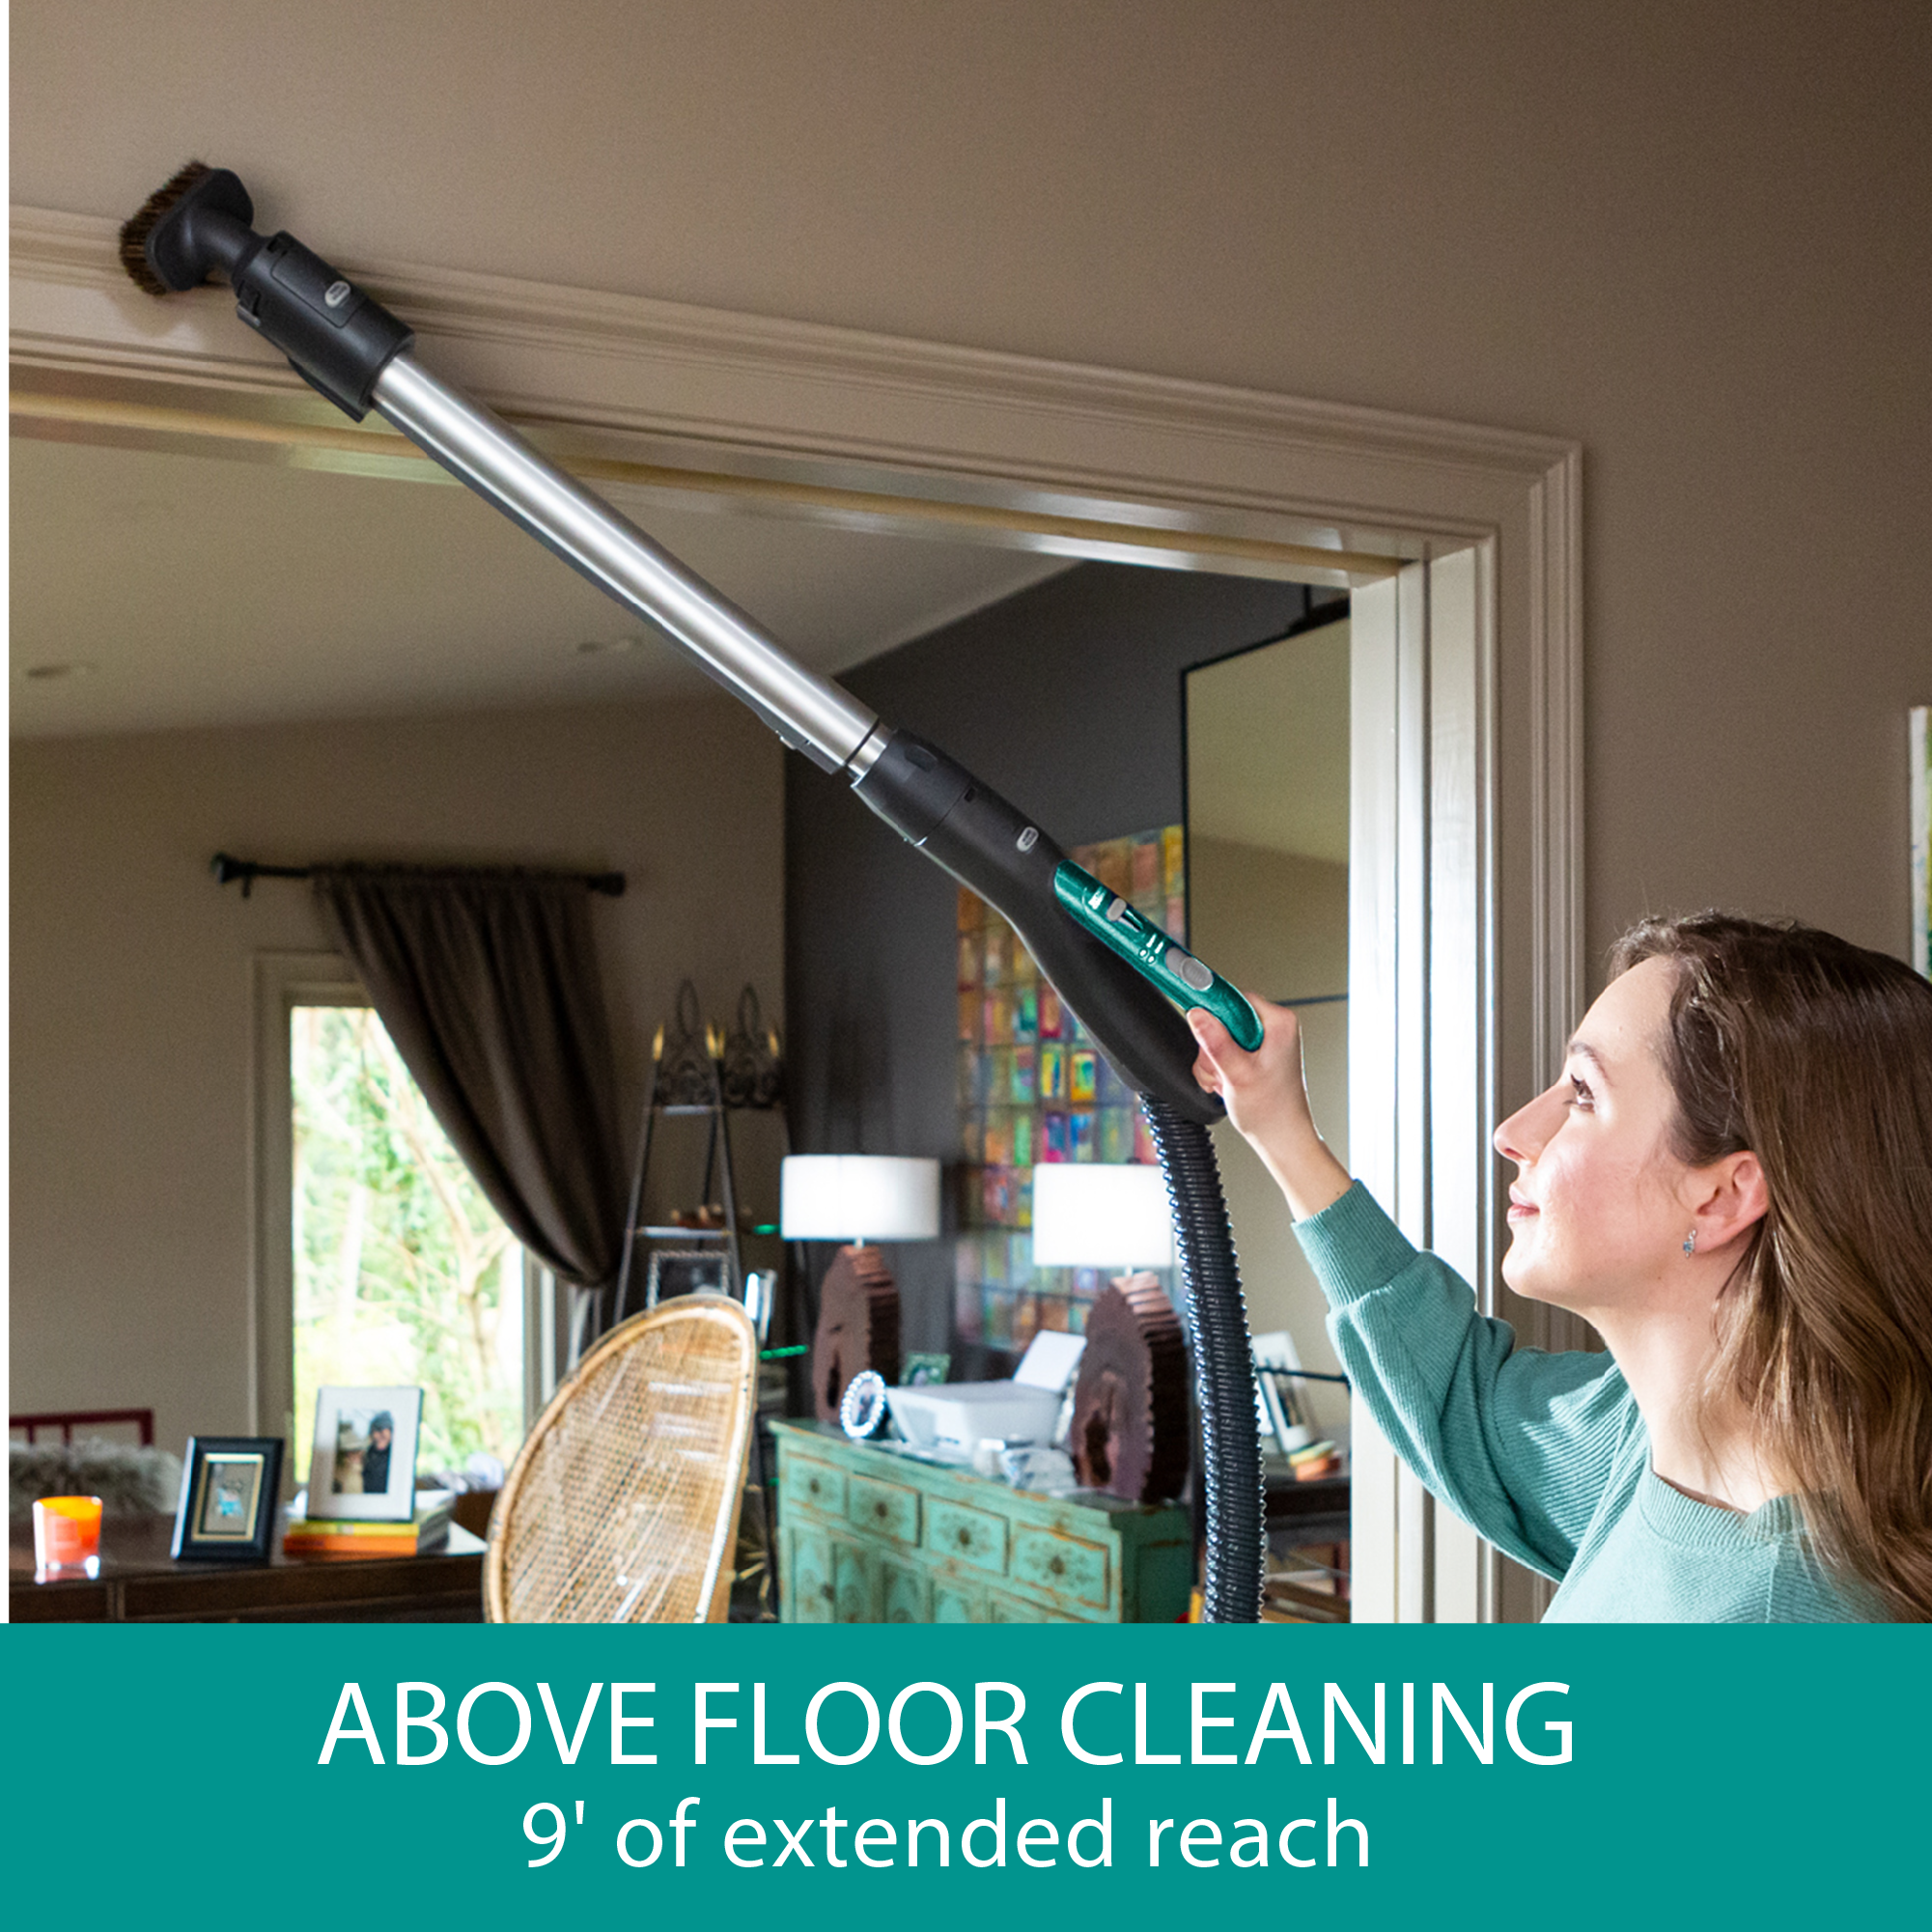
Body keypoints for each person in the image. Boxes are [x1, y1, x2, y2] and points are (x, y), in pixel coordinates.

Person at [1188, 911, 1932, 1623]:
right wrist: (1281, 1126)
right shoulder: (1652, 1444)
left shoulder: (1783, 1626)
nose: (1511, 1132)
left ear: (1719, 1196)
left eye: (1581, 1093)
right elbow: (1461, 1400)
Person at [360, 1413, 394, 1497]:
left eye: (383, 1432)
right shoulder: (366, 1455)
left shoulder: (394, 1457)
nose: (379, 1436)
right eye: (376, 1431)